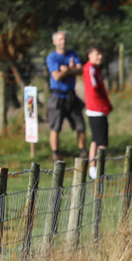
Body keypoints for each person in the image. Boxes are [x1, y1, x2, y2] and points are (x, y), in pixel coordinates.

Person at [46, 30, 87, 162]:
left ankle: (83, 151)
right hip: (57, 97)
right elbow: (57, 76)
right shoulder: (52, 57)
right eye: (60, 39)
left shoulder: (72, 54)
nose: (63, 41)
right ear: (54, 42)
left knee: (80, 125)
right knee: (56, 127)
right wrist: (71, 70)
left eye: (64, 39)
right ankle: (56, 153)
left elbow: (81, 70)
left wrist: (67, 70)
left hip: (71, 96)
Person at [82, 45, 113, 179]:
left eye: (101, 54)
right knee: (102, 143)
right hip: (97, 110)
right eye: (97, 54)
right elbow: (94, 90)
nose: (100, 57)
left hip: (98, 109)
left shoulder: (95, 69)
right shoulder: (90, 69)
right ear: (90, 55)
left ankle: (93, 170)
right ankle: (98, 170)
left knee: (95, 139)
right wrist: (103, 106)